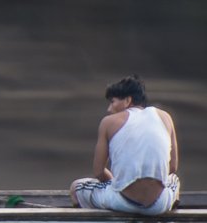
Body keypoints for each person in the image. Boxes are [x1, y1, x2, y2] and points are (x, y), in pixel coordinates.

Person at [70, 75, 179, 215]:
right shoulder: (165, 117)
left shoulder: (108, 122)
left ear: (128, 100)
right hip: (158, 206)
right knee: (174, 180)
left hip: (122, 202)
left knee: (76, 187)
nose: (109, 109)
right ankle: (168, 217)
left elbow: (98, 172)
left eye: (112, 102)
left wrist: (116, 182)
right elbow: (173, 167)